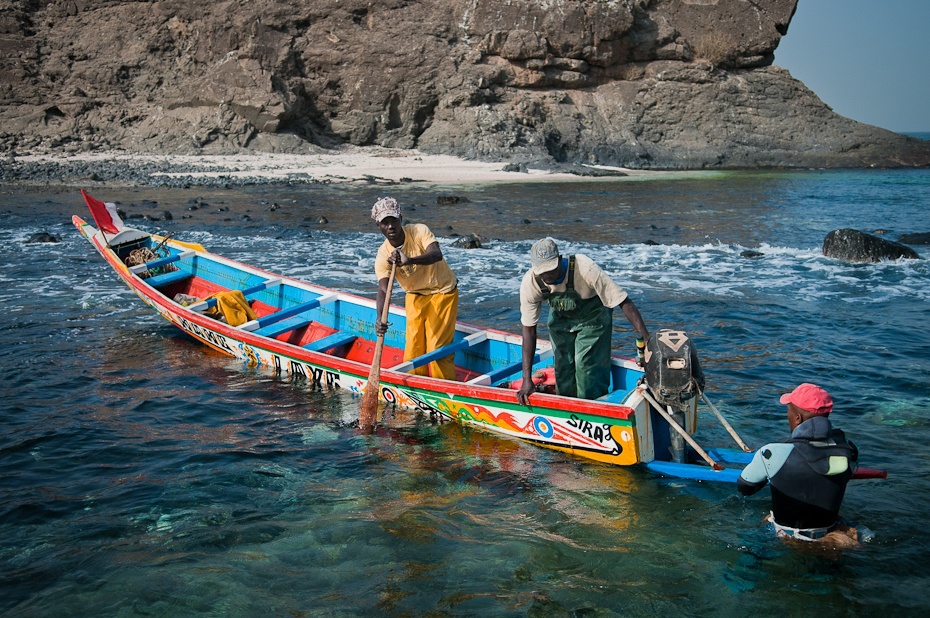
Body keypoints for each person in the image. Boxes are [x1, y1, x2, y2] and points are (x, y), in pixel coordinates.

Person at [517, 238, 649, 405]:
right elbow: (529, 330)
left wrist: (644, 335)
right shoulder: (531, 283)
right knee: (564, 369)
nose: (548, 276)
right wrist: (526, 379)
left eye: (551, 269)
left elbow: (622, 300)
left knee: (586, 367)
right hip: (561, 321)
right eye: (542, 272)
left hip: (593, 318)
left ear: (559, 259)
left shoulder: (584, 267)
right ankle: (567, 409)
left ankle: (594, 407)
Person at [737, 383, 860, 544]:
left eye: (789, 411)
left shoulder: (772, 453)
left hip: (785, 538)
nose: (787, 416)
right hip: (831, 538)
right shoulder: (848, 452)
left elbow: (744, 488)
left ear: (797, 418)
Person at [372, 196, 459, 380]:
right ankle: (415, 386)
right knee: (413, 351)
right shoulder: (383, 256)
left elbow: (436, 254)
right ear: (378, 226)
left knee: (437, 350)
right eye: (384, 223)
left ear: (401, 218)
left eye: (393, 220)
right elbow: (383, 290)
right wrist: (380, 318)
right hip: (414, 295)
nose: (390, 227)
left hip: (441, 290)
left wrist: (409, 260)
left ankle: (443, 389)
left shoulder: (419, 231)